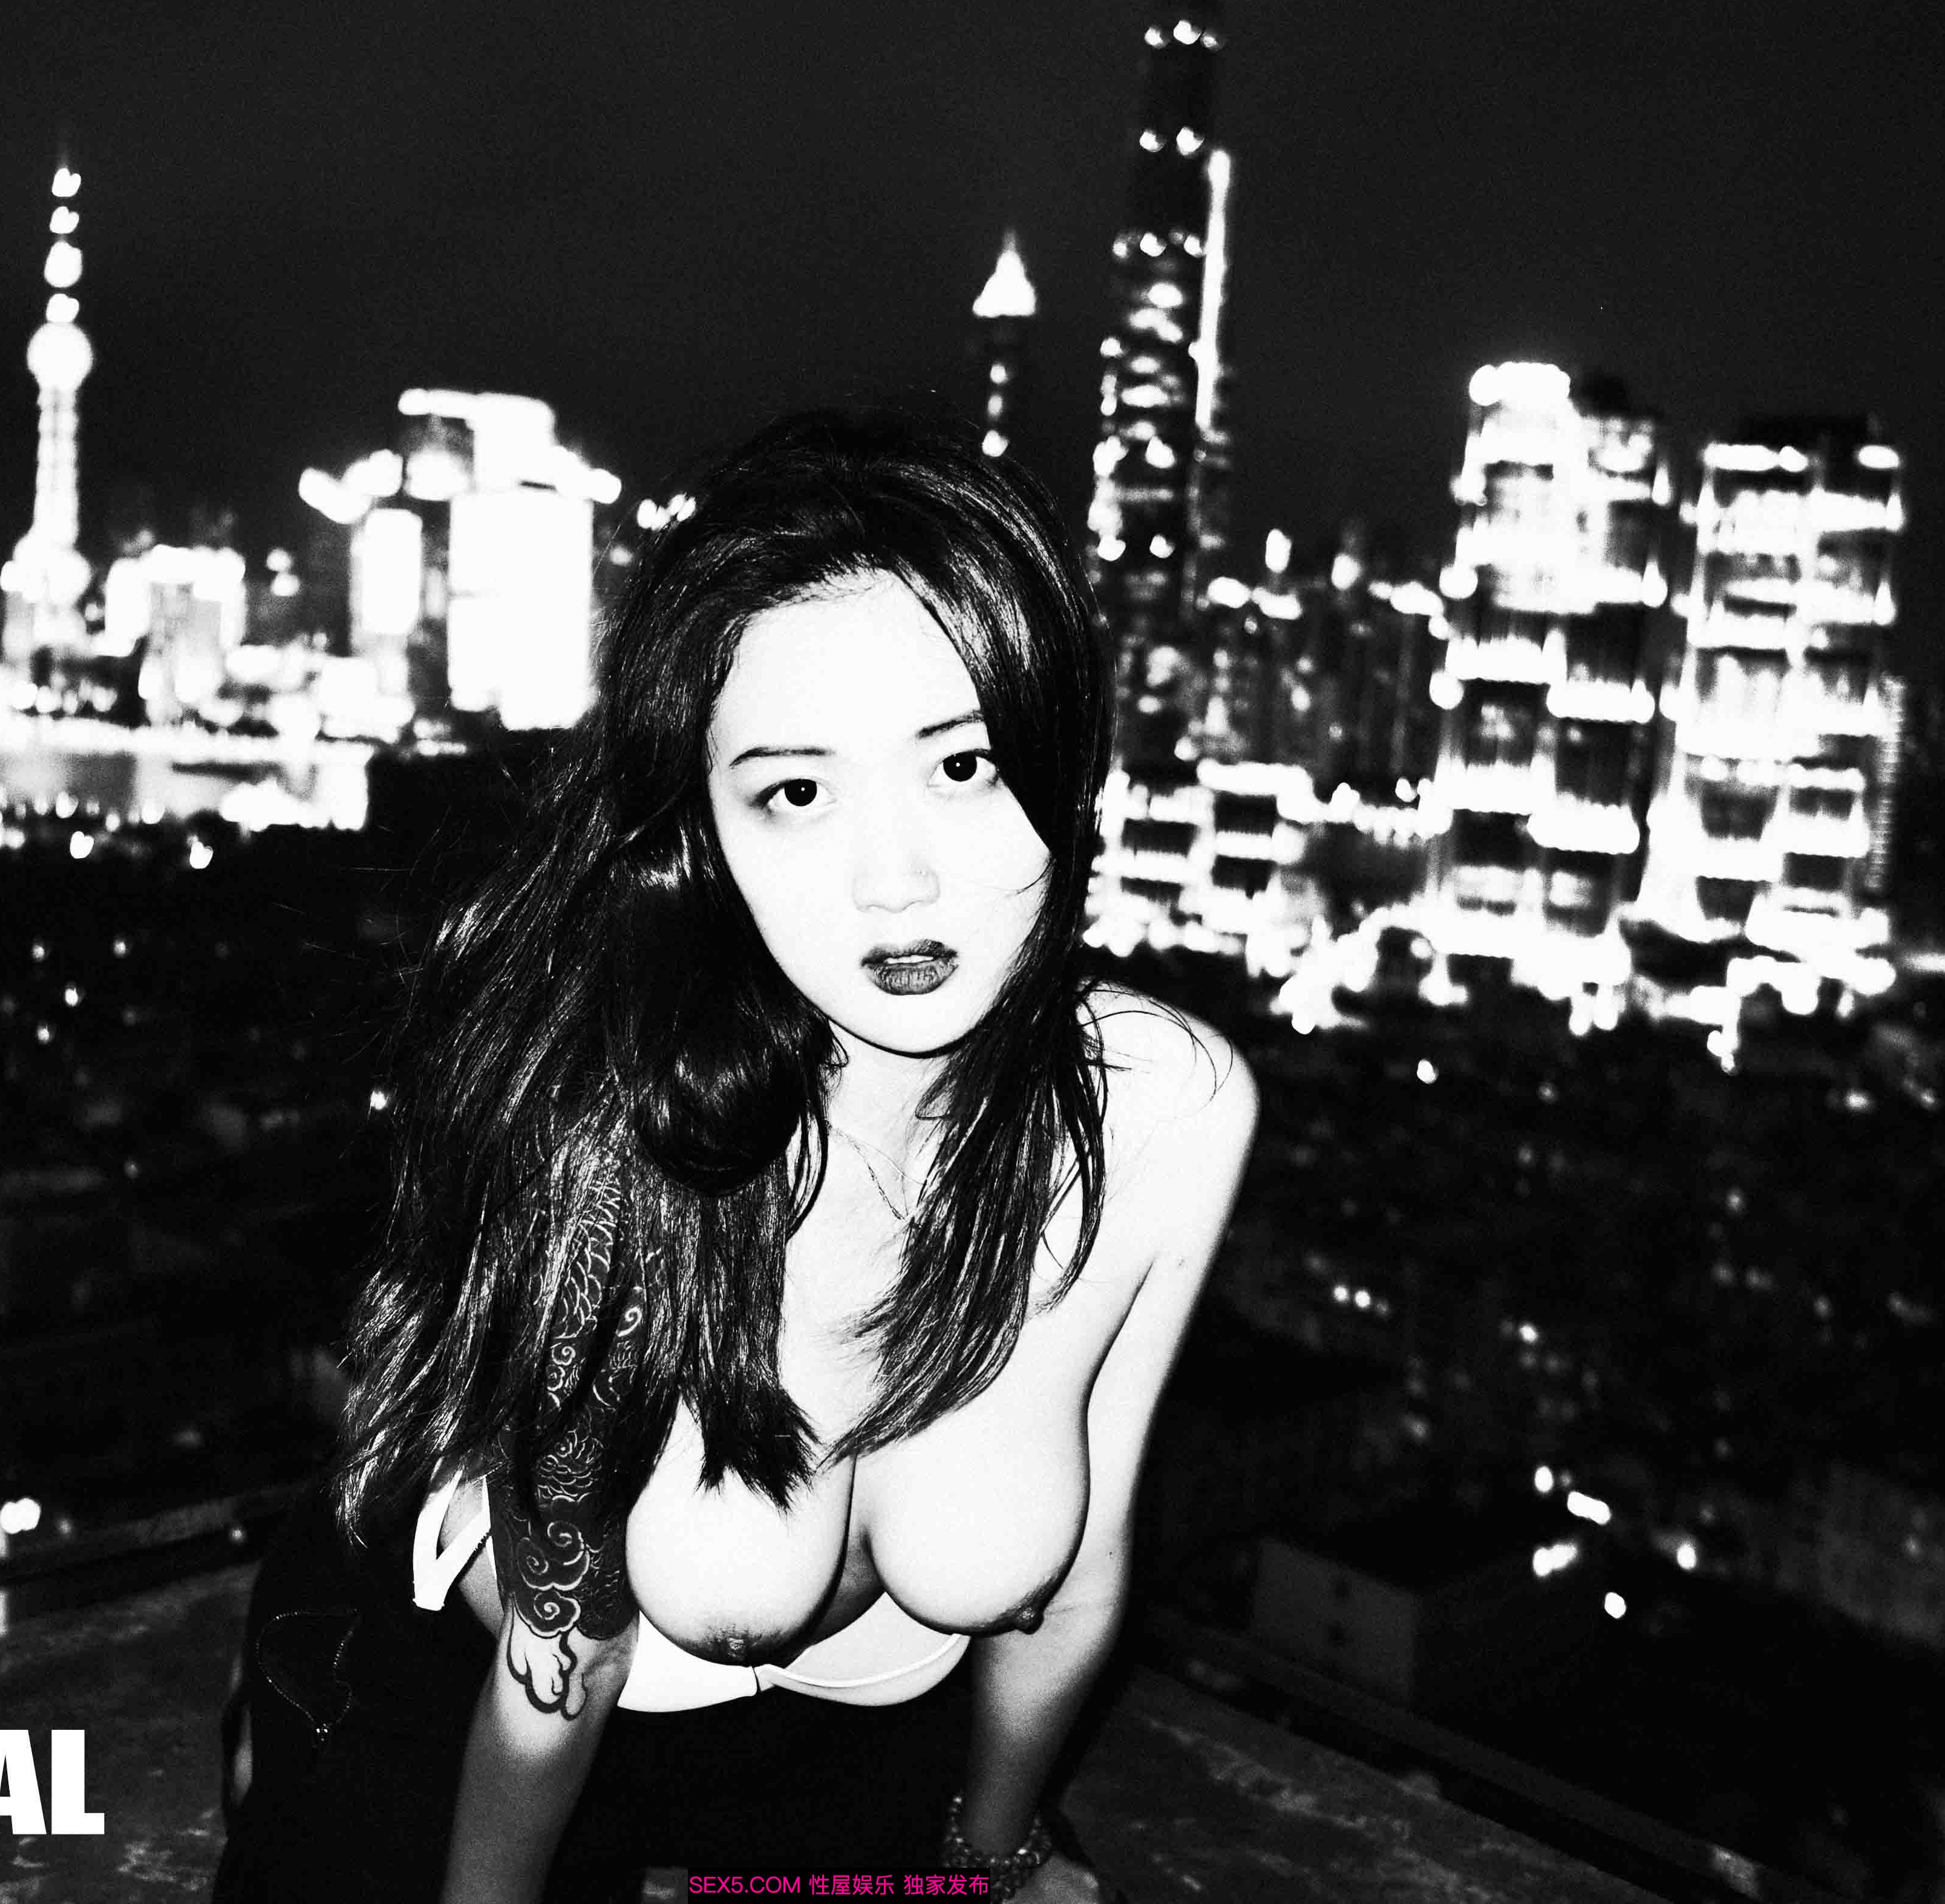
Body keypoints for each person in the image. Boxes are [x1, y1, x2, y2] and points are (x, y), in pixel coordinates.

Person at [214, 409, 1258, 1903]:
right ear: (702, 833)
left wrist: (994, 1855)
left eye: (964, 764)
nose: (896, 881)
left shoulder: (1164, 1105)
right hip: (474, 1725)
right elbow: (557, 1666)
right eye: (795, 790)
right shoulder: (620, 1138)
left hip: (842, 1766)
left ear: (1064, 754)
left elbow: (1073, 1578)